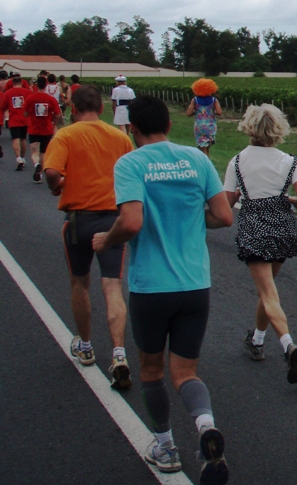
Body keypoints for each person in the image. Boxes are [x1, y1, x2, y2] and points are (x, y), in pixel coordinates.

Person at [91, 96, 234, 482]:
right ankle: (205, 427)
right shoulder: (197, 159)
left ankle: (166, 447)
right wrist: (189, 217)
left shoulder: (131, 163)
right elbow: (223, 216)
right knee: (186, 372)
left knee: (152, 372)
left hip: (152, 286)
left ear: (132, 129)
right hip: (194, 285)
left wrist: (107, 241)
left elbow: (132, 222)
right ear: (170, 126)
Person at [43, 85, 134, 388]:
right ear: (102, 107)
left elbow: (52, 173)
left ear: (72, 107)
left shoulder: (66, 136)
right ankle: (119, 353)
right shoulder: (120, 138)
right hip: (112, 218)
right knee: (113, 286)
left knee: (80, 282)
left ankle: (85, 345)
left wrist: (58, 187)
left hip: (79, 220)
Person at [223, 104, 297, 383]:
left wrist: (239, 196)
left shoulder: (238, 161)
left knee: (269, 294)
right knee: (268, 289)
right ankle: (257, 341)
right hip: (283, 226)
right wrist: (293, 203)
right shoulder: (288, 161)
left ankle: (288, 345)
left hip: (255, 226)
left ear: (249, 127)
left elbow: (226, 203)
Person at [23, 76, 62, 183]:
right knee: (43, 152)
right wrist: (53, 119)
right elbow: (58, 114)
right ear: (46, 85)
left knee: (34, 151)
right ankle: (40, 174)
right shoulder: (51, 99)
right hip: (47, 128)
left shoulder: (30, 98)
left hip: (33, 128)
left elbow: (25, 113)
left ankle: (36, 164)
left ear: (36, 85)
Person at [186, 79, 223, 157]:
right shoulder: (214, 100)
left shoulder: (195, 100)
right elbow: (219, 112)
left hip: (200, 126)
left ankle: (206, 164)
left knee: (202, 148)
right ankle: (208, 162)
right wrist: (211, 112)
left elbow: (188, 113)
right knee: (207, 147)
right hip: (211, 125)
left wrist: (196, 112)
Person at [0, 76, 31, 168]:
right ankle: (23, 157)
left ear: (13, 83)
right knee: (23, 139)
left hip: (14, 119)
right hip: (25, 119)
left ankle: (18, 158)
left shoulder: (8, 93)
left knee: (15, 139)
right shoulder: (28, 92)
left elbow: (3, 106)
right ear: (21, 83)